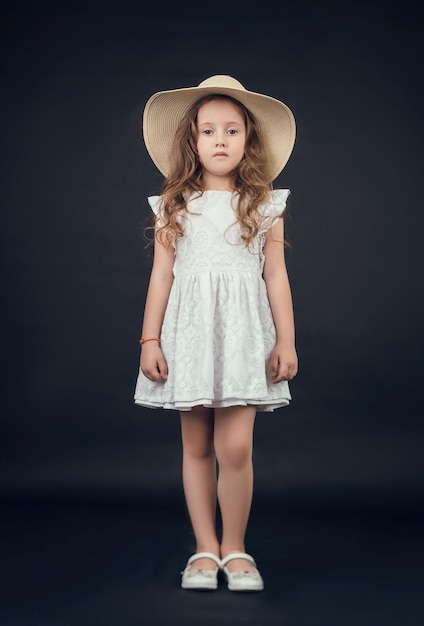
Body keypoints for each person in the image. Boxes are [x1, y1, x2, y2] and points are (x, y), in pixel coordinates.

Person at [134, 75, 298, 592]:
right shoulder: (174, 205)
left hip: (244, 338)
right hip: (189, 336)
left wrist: (286, 340)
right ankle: (204, 549)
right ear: (194, 140)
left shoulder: (264, 205)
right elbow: (162, 276)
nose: (221, 140)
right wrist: (150, 339)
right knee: (197, 445)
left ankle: (236, 548)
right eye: (209, 131)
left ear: (248, 140)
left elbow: (276, 275)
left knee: (236, 449)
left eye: (232, 130)